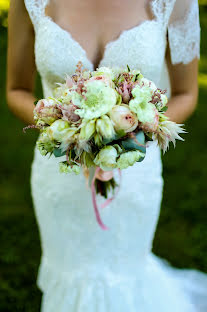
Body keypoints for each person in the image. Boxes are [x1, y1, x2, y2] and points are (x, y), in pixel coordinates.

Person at [6, 0, 207, 311]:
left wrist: (130, 134)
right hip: (60, 172)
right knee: (69, 273)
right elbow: (16, 90)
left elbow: (186, 94)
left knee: (126, 272)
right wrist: (62, 126)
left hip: (135, 167)